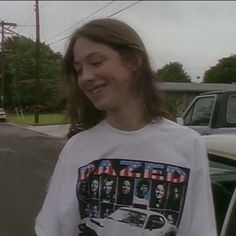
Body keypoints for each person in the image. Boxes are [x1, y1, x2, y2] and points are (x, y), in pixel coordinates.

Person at [35, 18, 217, 236]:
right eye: (79, 69)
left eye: (95, 63)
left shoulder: (188, 144)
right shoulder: (77, 148)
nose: (85, 77)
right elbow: (50, 229)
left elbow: (199, 228)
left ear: (133, 60)